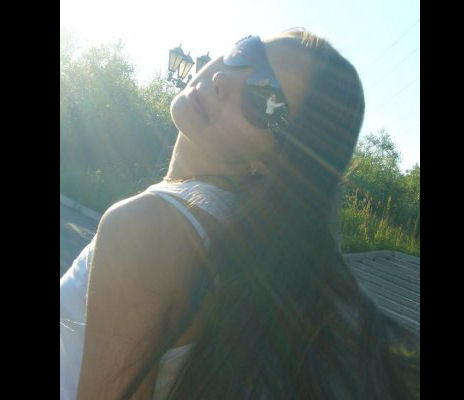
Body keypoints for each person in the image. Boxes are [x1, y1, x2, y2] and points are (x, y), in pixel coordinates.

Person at [61, 30, 419, 400]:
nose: (222, 78)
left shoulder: (148, 227)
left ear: (275, 161)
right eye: (246, 53)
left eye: (264, 99)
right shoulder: (234, 240)